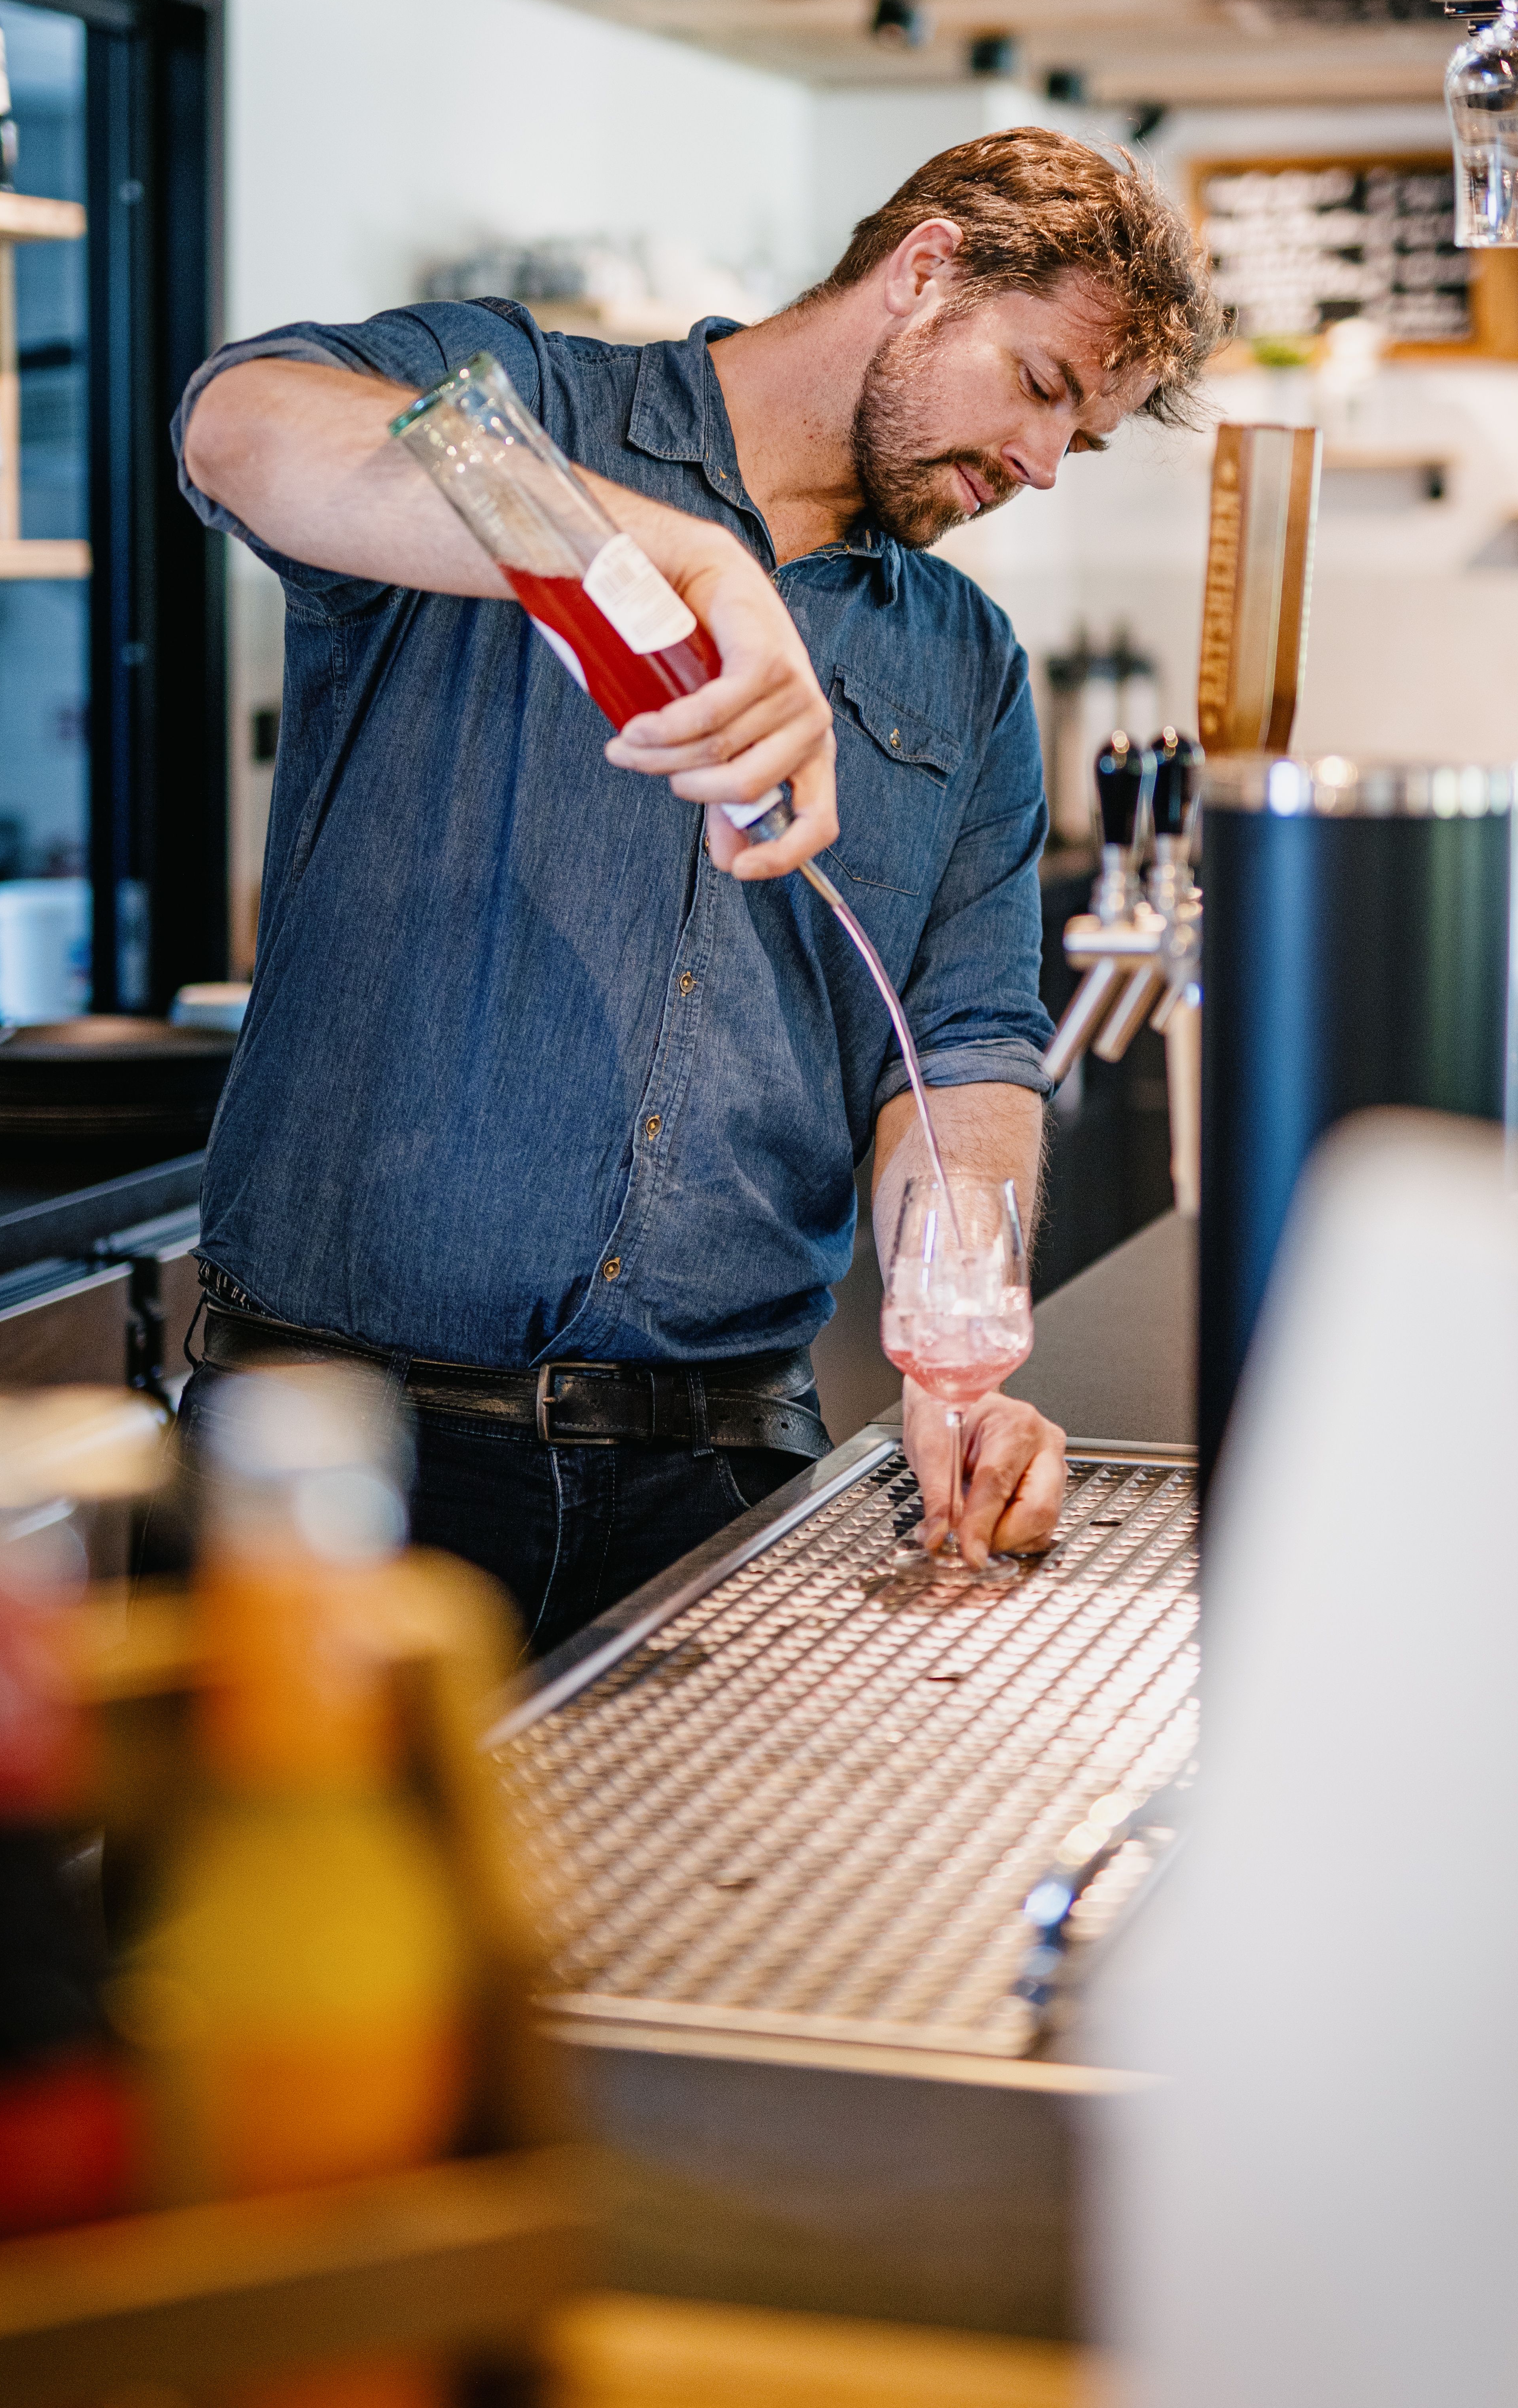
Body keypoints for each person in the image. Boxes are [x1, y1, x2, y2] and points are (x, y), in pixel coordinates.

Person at [173, 127, 1221, 1653]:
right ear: (925, 270)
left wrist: (959, 1357)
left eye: (1087, 438)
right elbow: (236, 427)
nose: (1045, 464)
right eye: (1042, 384)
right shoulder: (522, 407)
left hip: (719, 1475)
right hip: (339, 1465)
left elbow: (961, 1048)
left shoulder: (965, 664)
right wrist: (688, 566)